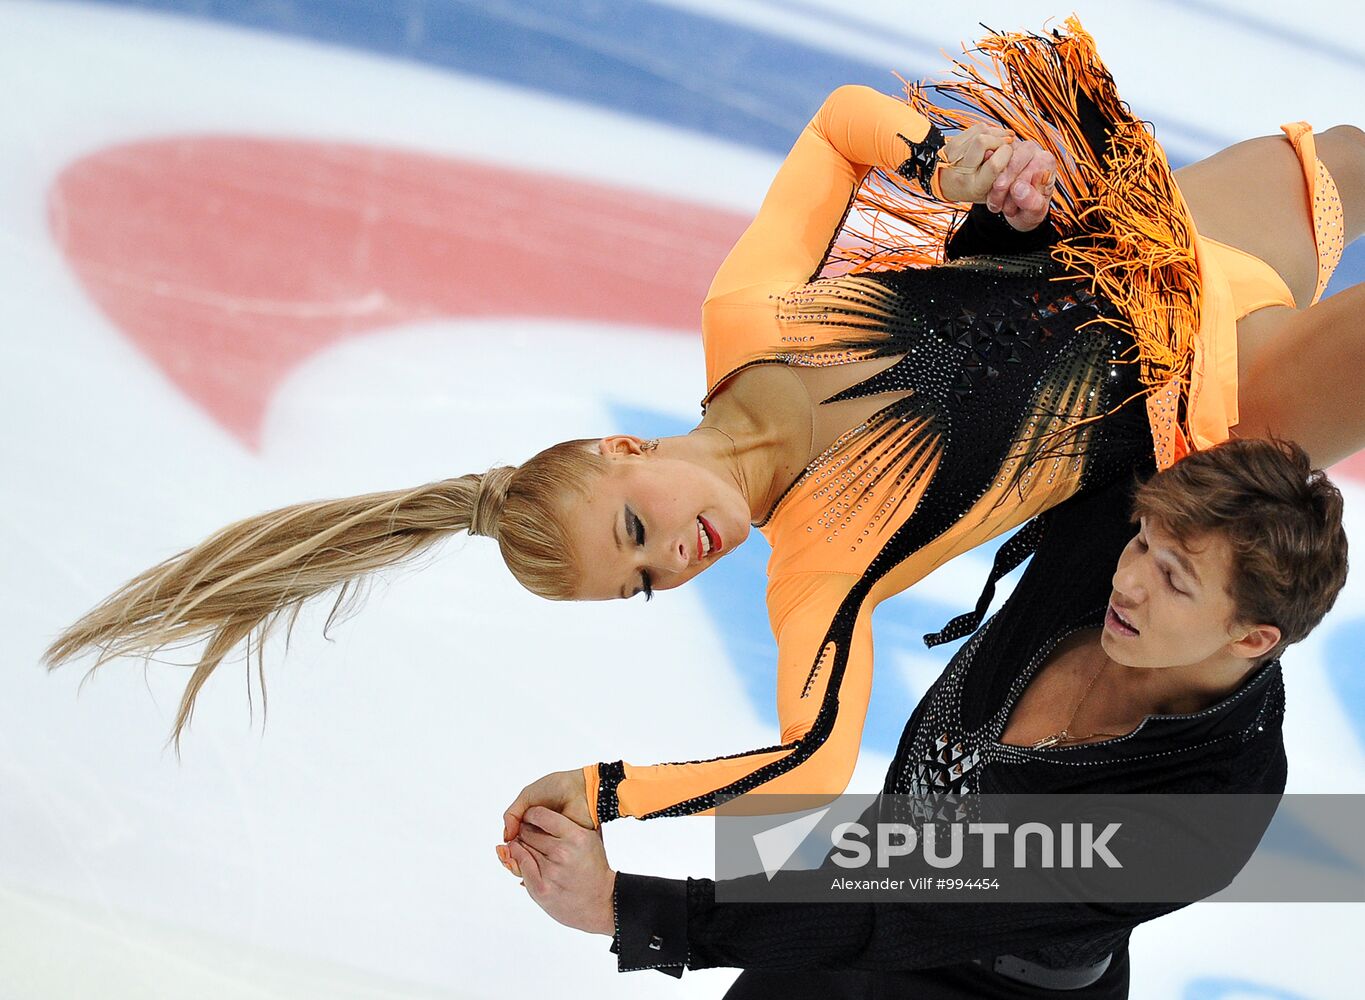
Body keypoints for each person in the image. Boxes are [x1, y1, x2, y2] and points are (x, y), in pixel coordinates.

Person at [44, 19, 1362, 834]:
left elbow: (843, 126)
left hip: (1161, 240)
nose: (677, 560)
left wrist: (951, 163)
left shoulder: (751, 316)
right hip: (1217, 388)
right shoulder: (821, 568)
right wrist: (615, 792)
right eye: (643, 583)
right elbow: (803, 766)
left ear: (627, 451)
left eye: (634, 530)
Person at [502, 436, 1349, 997]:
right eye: (1142, 545)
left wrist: (629, 909)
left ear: (1251, 638)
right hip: (846, 901)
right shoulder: (1106, 546)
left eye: (1174, 581)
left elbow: (909, 902)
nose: (1128, 582)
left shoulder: (1202, 814)